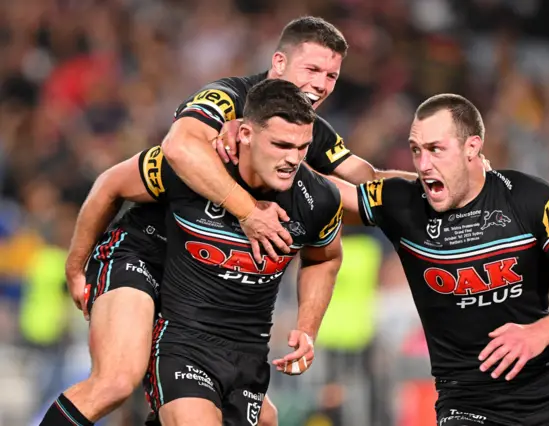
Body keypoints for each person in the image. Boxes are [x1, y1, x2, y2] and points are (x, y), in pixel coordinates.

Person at [54, 16, 414, 426]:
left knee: (259, 418)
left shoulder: (308, 132)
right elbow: (175, 148)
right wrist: (247, 211)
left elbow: (366, 181)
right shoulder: (228, 98)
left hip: (205, 283)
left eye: (331, 75)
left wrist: (443, 183)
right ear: (278, 63)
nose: (321, 84)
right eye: (312, 69)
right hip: (146, 252)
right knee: (117, 380)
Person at [47, 79, 344, 426]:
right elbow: (109, 185)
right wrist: (75, 268)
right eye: (280, 145)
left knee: (266, 419)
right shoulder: (193, 164)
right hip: (142, 263)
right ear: (244, 133)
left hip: (239, 347)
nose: (292, 159)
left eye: (302, 148)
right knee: (116, 380)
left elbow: (325, 257)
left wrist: (307, 327)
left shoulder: (319, 199)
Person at [332, 93, 549, 426]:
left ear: (472, 147)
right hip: (469, 401)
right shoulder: (403, 203)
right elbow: (324, 193)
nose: (423, 164)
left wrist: (540, 333)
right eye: (416, 150)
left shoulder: (530, 197)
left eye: (435, 149)